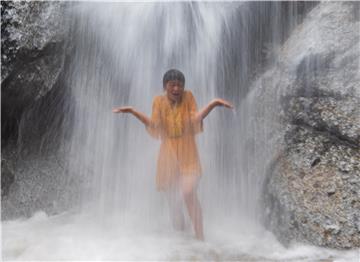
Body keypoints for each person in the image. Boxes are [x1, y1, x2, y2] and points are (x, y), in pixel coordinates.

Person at [112, 69, 233, 240]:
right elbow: (154, 124)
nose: (176, 89)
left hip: (188, 152)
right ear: (165, 87)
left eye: (180, 85)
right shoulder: (158, 101)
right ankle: (181, 244)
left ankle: (201, 240)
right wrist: (133, 112)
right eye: (172, 85)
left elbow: (194, 118)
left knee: (187, 193)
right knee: (173, 203)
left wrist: (213, 104)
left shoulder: (188, 97)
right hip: (167, 155)